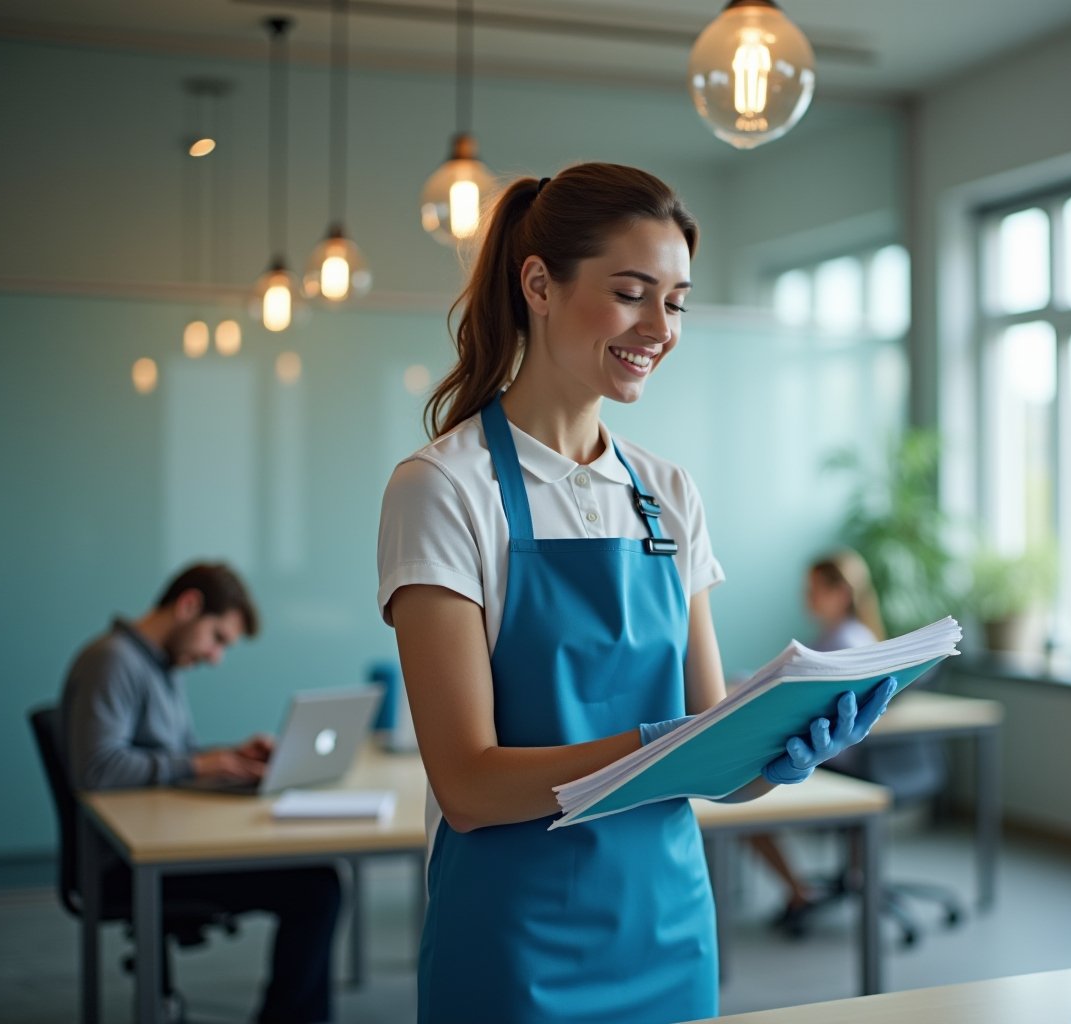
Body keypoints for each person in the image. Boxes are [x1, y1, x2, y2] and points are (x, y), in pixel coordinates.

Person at [375, 163, 894, 1024]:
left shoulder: (669, 493)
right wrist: (665, 748)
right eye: (631, 294)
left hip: (669, 926)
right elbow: (468, 785)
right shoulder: (443, 488)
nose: (660, 328)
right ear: (539, 283)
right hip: (515, 944)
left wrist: (776, 750)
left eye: (678, 302)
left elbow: (713, 754)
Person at [58, 561, 341, 1024]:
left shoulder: (159, 665)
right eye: (217, 638)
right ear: (188, 606)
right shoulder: (112, 660)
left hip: (163, 840)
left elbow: (165, 754)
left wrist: (228, 756)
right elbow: (97, 769)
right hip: (131, 860)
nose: (215, 657)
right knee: (317, 887)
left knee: (318, 879)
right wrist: (199, 763)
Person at [750, 550, 886, 934]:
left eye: (814, 590)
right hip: (850, 757)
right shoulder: (847, 636)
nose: (806, 598)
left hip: (836, 760)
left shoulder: (844, 641)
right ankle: (819, 883)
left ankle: (797, 890)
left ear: (841, 592)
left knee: (742, 793)